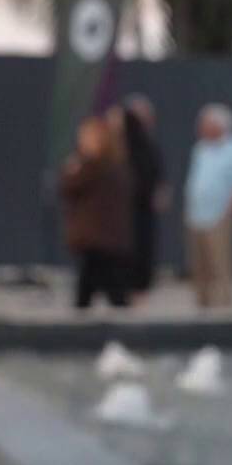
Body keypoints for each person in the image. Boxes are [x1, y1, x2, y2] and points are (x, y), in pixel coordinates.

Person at [182, 103, 232, 311]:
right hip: (196, 216)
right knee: (199, 264)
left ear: (220, 126)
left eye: (206, 124)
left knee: (221, 263)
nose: (201, 128)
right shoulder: (200, 149)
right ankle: (202, 304)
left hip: (220, 216)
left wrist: (231, 213)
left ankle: (224, 306)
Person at [58, 115, 134, 310]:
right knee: (96, 284)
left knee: (104, 285)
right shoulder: (113, 163)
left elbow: (70, 186)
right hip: (102, 237)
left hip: (98, 237)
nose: (81, 141)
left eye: (86, 137)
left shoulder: (96, 165)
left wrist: (72, 169)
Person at [117, 96, 170, 298]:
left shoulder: (150, 145)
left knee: (144, 251)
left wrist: (161, 191)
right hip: (123, 211)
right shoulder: (119, 144)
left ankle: (140, 290)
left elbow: (158, 175)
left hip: (144, 211)